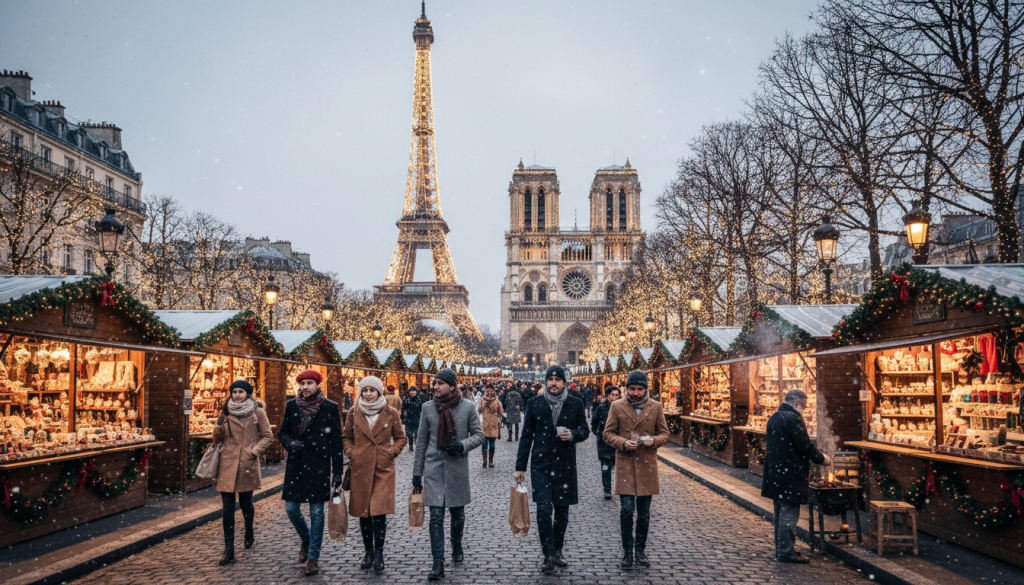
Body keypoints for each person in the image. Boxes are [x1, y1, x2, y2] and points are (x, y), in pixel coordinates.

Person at [514, 365, 589, 574]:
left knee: (562, 512)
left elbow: (585, 430)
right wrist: (520, 467)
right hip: (541, 465)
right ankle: (548, 554)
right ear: (545, 382)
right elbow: (526, 437)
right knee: (544, 510)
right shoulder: (534, 403)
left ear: (565, 382)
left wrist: (573, 434)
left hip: (565, 464)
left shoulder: (575, 403)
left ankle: (558, 549)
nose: (553, 383)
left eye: (557, 379)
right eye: (550, 379)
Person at [413, 368, 485, 581]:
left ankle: (457, 543)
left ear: (452, 386)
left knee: (457, 514)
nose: (435, 387)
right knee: (435, 517)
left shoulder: (468, 407)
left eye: (440, 383)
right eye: (435, 383)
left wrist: (462, 445)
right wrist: (417, 473)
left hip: (456, 468)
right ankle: (438, 563)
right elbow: (421, 442)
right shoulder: (427, 408)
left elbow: (479, 435)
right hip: (433, 468)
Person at [279, 369, 345, 576]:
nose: (305, 387)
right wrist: (290, 443)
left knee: (317, 513)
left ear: (318, 385)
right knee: (291, 509)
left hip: (319, 465)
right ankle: (306, 538)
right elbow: (282, 432)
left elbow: (336, 441)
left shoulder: (330, 407)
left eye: (309, 383)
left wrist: (337, 472)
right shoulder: (292, 406)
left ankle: (313, 558)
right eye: (302, 383)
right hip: (296, 465)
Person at [602, 371, 670, 568]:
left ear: (646, 390)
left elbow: (664, 434)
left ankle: (640, 550)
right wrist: (623, 443)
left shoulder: (656, 407)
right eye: (632, 389)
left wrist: (653, 441)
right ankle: (627, 552)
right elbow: (607, 434)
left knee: (644, 513)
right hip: (625, 465)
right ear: (626, 389)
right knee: (626, 510)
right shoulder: (616, 406)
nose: (636, 393)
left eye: (640, 389)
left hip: (647, 465)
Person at [343, 376, 407, 575]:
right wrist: (352, 453)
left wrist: (391, 452)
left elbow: (401, 438)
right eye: (365, 390)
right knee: (364, 513)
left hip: (383, 469)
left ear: (380, 392)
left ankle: (379, 552)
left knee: (379, 513)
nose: (368, 394)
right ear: (360, 392)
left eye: (372, 390)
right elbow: (346, 437)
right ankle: (368, 551)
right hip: (361, 468)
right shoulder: (354, 412)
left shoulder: (391, 412)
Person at [762, 389, 830, 564]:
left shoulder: (775, 417)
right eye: (804, 406)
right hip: (789, 474)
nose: (804, 410)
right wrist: (821, 458)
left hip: (776, 473)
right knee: (789, 514)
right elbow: (804, 445)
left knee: (779, 513)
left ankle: (782, 549)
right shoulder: (793, 418)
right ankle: (786, 552)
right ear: (797, 403)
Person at [213, 380, 273, 566]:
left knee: (246, 504)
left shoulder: (257, 412)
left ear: (248, 393)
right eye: (234, 392)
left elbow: (268, 436)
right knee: (227, 509)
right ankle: (229, 549)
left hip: (247, 464)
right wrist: (218, 425)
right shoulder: (226, 412)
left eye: (241, 391)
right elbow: (217, 439)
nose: (237, 395)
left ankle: (249, 529)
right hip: (227, 464)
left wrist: (253, 451)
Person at [590, 385, 620, 500]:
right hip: (604, 444)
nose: (614, 397)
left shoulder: (622, 408)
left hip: (618, 443)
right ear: (608, 395)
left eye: (617, 395)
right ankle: (607, 489)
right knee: (606, 468)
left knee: (620, 468)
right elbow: (594, 423)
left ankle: (620, 488)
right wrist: (599, 434)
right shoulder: (601, 408)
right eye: (612, 395)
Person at [476, 384, 504, 468]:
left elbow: (501, 412)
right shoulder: (482, 400)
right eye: (488, 391)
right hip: (485, 425)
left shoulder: (497, 401)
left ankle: (491, 461)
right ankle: (484, 461)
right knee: (484, 444)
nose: (489, 393)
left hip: (494, 425)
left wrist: (502, 415)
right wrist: (484, 403)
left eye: (491, 391)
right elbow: (478, 410)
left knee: (492, 445)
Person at [402, 386, 424, 452]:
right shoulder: (406, 399)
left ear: (416, 392)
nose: (412, 392)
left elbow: (422, 408)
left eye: (414, 391)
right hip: (408, 419)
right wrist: (403, 417)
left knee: (417, 434)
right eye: (411, 391)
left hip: (417, 419)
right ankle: (411, 445)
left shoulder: (419, 399)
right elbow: (403, 408)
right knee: (409, 434)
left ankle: (417, 446)